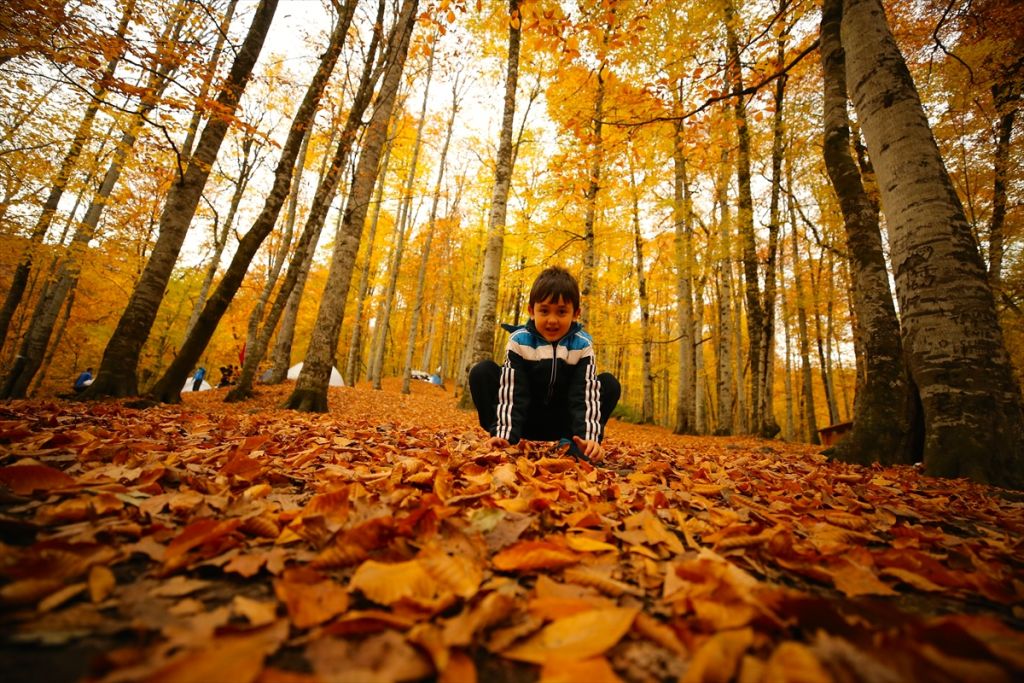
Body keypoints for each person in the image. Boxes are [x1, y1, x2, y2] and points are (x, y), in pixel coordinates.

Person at [469, 265, 620, 461]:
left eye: (561, 312)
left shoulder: (582, 346)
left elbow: (585, 394)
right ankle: (500, 439)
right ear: (532, 311)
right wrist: (505, 432)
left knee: (608, 383)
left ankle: (577, 446)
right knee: (482, 371)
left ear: (576, 314)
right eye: (544, 311)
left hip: (563, 423)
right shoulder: (519, 341)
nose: (552, 320)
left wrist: (589, 437)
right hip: (523, 420)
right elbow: (513, 389)